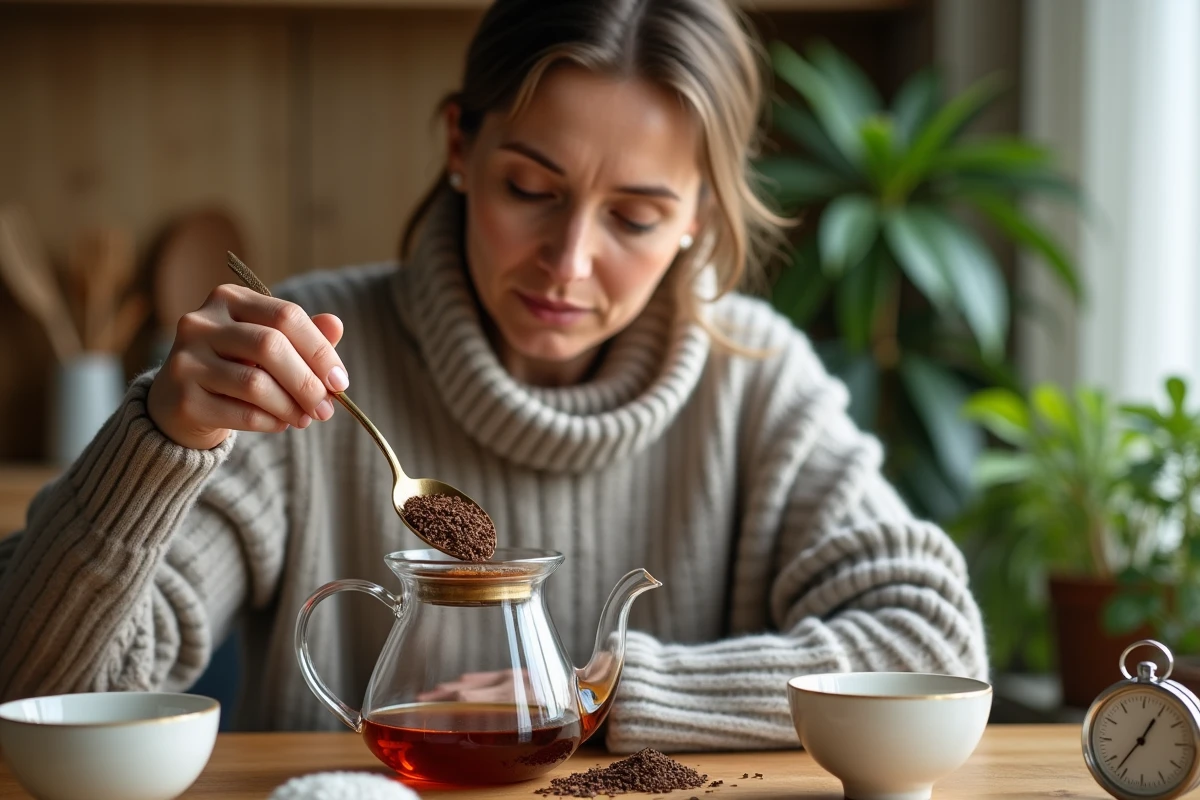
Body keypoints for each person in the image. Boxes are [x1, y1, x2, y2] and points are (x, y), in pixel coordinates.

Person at [0, 0, 987, 752]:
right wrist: (162, 439)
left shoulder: (756, 381)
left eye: (636, 216)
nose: (568, 263)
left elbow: (935, 650)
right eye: (531, 188)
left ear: (699, 215)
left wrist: (596, 694)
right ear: (460, 147)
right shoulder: (307, 365)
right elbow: (38, 688)